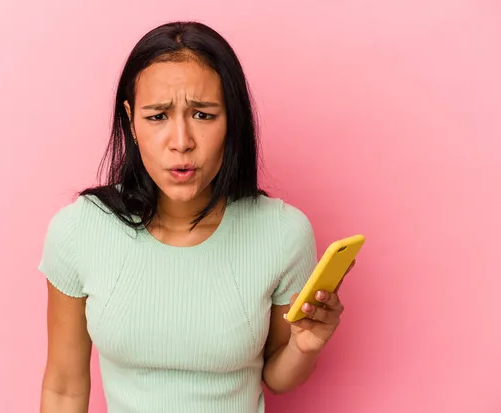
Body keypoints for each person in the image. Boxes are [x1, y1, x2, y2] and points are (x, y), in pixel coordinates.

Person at [38, 21, 353, 413]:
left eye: (203, 115)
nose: (182, 142)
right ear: (131, 121)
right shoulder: (80, 230)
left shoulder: (283, 232)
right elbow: (64, 388)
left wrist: (306, 345)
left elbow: (276, 376)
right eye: (158, 117)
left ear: (231, 121)